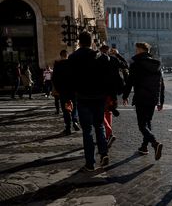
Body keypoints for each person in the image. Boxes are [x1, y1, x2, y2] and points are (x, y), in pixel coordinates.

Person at [66, 31, 111, 171]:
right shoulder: (101, 57)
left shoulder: (73, 57)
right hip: (99, 97)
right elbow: (107, 77)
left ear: (79, 42)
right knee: (99, 126)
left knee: (87, 131)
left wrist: (69, 98)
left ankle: (90, 163)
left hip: (83, 97)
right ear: (92, 42)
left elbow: (70, 79)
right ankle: (103, 153)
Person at [122, 42, 164, 160]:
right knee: (148, 122)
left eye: (136, 50)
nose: (136, 52)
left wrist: (125, 95)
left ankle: (155, 143)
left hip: (141, 97)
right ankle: (144, 147)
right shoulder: (157, 64)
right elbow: (161, 84)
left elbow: (130, 81)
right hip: (153, 98)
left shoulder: (136, 64)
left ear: (141, 50)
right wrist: (161, 100)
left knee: (142, 125)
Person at [98, 44, 128, 148]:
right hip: (112, 91)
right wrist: (118, 55)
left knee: (99, 113)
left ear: (100, 51)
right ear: (109, 51)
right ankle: (108, 135)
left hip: (101, 91)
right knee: (108, 112)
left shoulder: (97, 60)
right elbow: (125, 65)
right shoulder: (114, 60)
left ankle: (109, 133)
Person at [52, 49, 80, 135]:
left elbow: (54, 79)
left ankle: (68, 127)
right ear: (67, 55)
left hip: (63, 91)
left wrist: (58, 89)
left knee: (66, 109)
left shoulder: (58, 64)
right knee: (74, 106)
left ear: (61, 55)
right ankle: (75, 120)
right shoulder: (73, 64)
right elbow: (77, 76)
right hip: (73, 90)